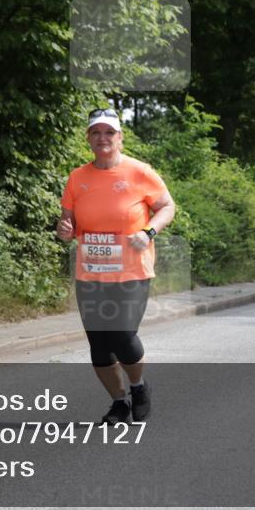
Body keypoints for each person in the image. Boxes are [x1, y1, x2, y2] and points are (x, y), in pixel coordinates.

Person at [57, 108, 176, 425]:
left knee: (122, 334)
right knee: (99, 345)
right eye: (96, 133)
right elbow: (66, 221)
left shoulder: (139, 172)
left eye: (109, 132)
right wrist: (65, 229)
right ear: (89, 139)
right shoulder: (77, 177)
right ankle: (119, 403)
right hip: (91, 272)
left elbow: (166, 206)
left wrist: (148, 231)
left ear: (120, 137)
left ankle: (138, 387)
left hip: (131, 270)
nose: (102, 138)